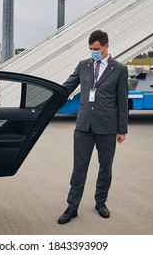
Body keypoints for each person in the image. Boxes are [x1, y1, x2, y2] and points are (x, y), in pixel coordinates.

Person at [58, 30, 128, 224]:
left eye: (96, 49)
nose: (93, 52)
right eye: (90, 49)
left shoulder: (119, 69)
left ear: (106, 46)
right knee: (79, 168)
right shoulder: (83, 65)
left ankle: (100, 202)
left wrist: (122, 130)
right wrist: (50, 95)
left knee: (105, 167)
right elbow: (67, 86)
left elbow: (122, 101)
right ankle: (72, 207)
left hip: (107, 127)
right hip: (83, 126)